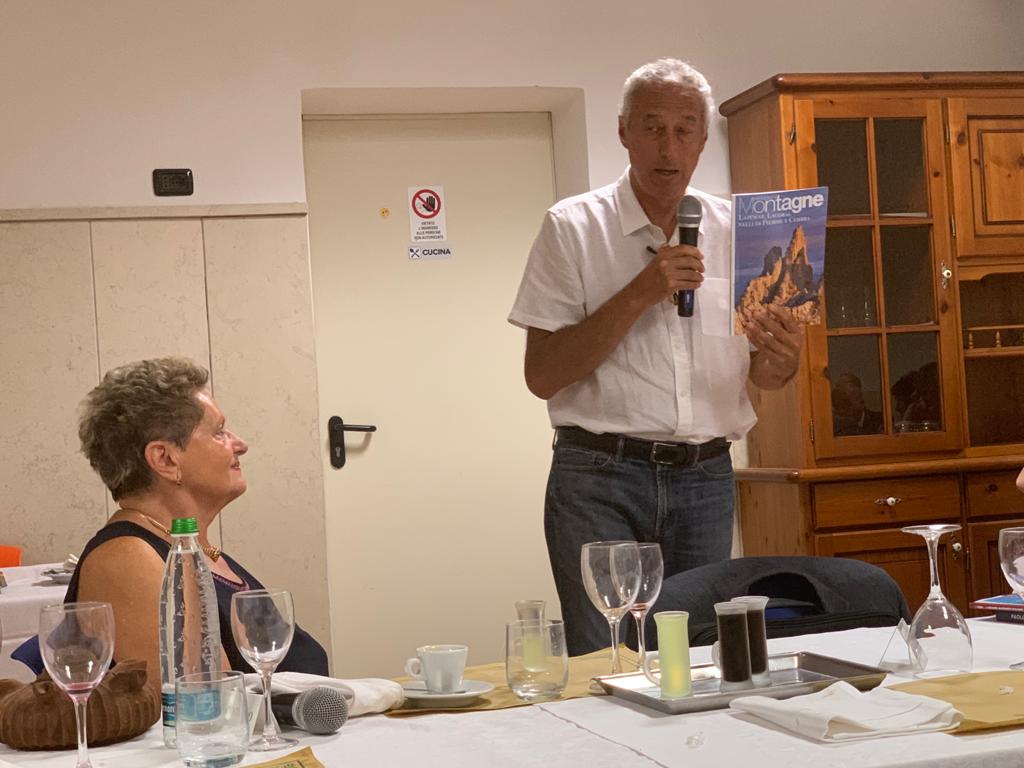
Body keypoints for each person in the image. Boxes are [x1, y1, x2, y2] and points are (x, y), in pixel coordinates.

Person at [508, 59, 804, 655]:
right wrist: (641, 292)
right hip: (599, 477)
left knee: (693, 657)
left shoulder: (745, 231)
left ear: (703, 138)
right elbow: (542, 375)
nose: (669, 148)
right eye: (652, 127)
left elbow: (767, 375)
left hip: (706, 475)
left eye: (684, 129)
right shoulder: (572, 227)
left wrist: (783, 358)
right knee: (606, 658)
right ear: (624, 132)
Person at [32, 357, 328, 690]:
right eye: (219, 432)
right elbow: (207, 704)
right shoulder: (126, 560)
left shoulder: (198, 550)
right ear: (165, 459)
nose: (240, 445)